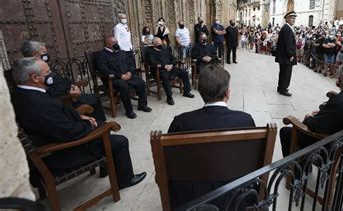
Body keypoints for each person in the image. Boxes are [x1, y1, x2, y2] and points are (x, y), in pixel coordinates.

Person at [11, 58, 146, 189]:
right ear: (35, 78)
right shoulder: (37, 104)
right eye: (47, 73)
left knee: (99, 125)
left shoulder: (22, 92)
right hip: (59, 155)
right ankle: (125, 180)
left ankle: (105, 165)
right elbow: (67, 132)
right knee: (118, 140)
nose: (51, 75)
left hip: (53, 137)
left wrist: (79, 116)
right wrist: (90, 126)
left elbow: (56, 114)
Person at [166, 64, 255, 207]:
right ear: (227, 92)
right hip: (236, 195)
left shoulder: (181, 122)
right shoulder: (245, 120)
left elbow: (169, 161)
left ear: (201, 92)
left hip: (192, 197)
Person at [279, 61, 343, 156]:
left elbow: (317, 126)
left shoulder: (341, 100)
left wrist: (309, 118)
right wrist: (324, 113)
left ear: (341, 78)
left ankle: (292, 168)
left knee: (285, 132)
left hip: (334, 146)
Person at [20, 41, 106, 122]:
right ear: (34, 54)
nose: (46, 54)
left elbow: (59, 79)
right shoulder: (34, 70)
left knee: (94, 97)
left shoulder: (42, 65)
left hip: (68, 91)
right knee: (94, 99)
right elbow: (48, 90)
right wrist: (71, 93)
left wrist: (72, 85)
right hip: (65, 99)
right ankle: (100, 127)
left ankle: (98, 123)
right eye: (44, 52)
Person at [95, 36, 151, 119]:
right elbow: (104, 70)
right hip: (113, 79)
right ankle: (129, 111)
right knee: (124, 87)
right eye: (114, 42)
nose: (116, 44)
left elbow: (131, 64)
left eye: (116, 42)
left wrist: (129, 72)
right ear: (107, 44)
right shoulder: (101, 55)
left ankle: (142, 105)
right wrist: (120, 76)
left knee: (141, 82)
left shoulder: (121, 52)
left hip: (127, 76)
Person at [146, 37, 194, 105]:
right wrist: (164, 66)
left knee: (184, 73)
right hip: (160, 70)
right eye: (156, 42)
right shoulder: (150, 52)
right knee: (165, 76)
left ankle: (186, 92)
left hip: (171, 68)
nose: (159, 43)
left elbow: (173, 59)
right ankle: (169, 97)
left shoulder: (165, 49)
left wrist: (171, 65)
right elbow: (153, 63)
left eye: (160, 41)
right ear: (153, 44)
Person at [275, 11, 297, 97]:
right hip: (286, 56)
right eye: (292, 18)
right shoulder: (287, 29)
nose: (293, 20)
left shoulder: (286, 28)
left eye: (294, 18)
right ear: (287, 19)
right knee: (286, 73)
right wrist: (290, 54)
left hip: (284, 56)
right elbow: (288, 44)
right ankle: (283, 89)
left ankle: (280, 87)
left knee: (283, 72)